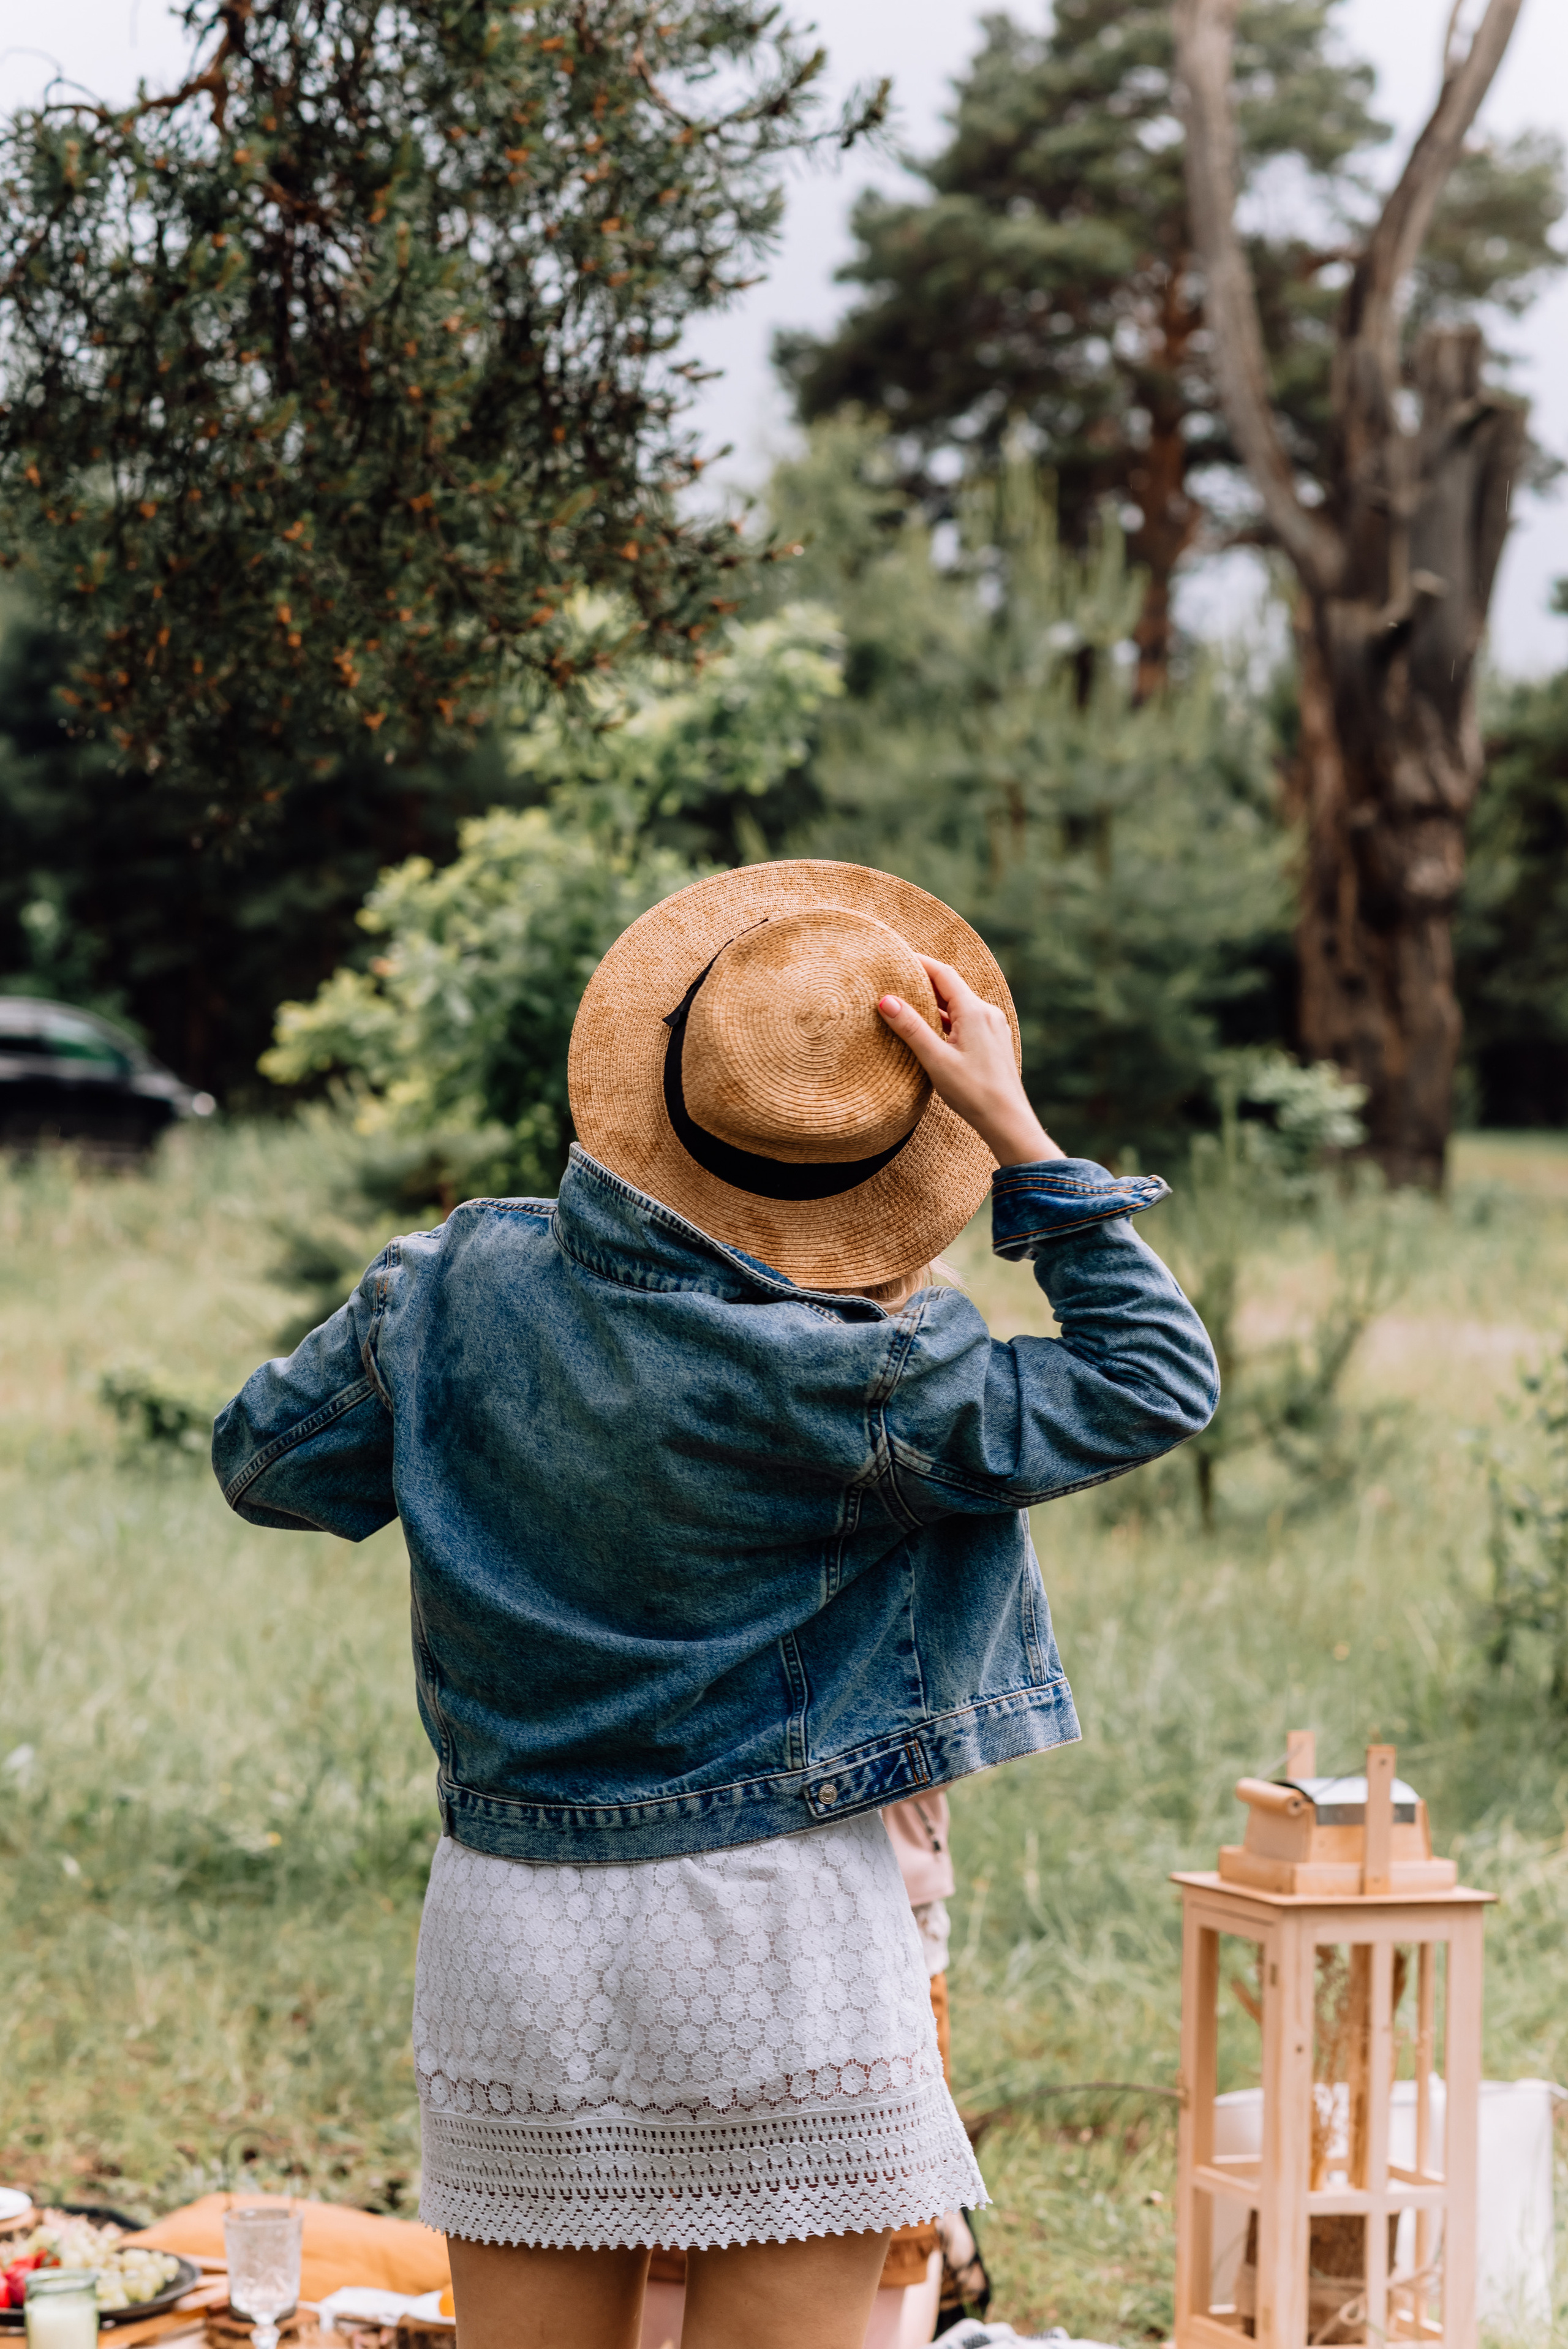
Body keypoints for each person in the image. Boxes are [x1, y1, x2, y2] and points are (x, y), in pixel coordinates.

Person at [212, 861, 1218, 2349]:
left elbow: (262, 1461)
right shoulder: (868, 1380)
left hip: (515, 1936)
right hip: (780, 1935)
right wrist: (1017, 1133)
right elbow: (1153, 1378)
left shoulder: (445, 1289)